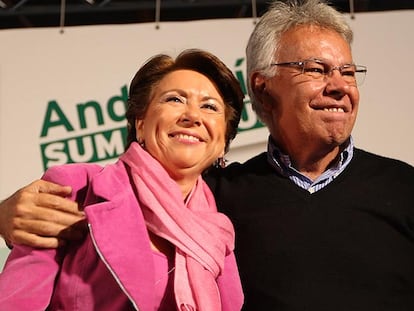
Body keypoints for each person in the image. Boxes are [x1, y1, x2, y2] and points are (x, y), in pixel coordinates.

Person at [1, 0, 414, 310]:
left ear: (222, 137)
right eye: (317, 69)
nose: (340, 86)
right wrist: (5, 213)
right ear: (264, 86)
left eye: (347, 72)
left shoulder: (404, 186)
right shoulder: (219, 193)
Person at [0, 48, 245, 310]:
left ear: (222, 143)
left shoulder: (219, 232)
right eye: (174, 100)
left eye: (209, 107)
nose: (192, 116)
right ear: (140, 123)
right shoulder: (77, 188)